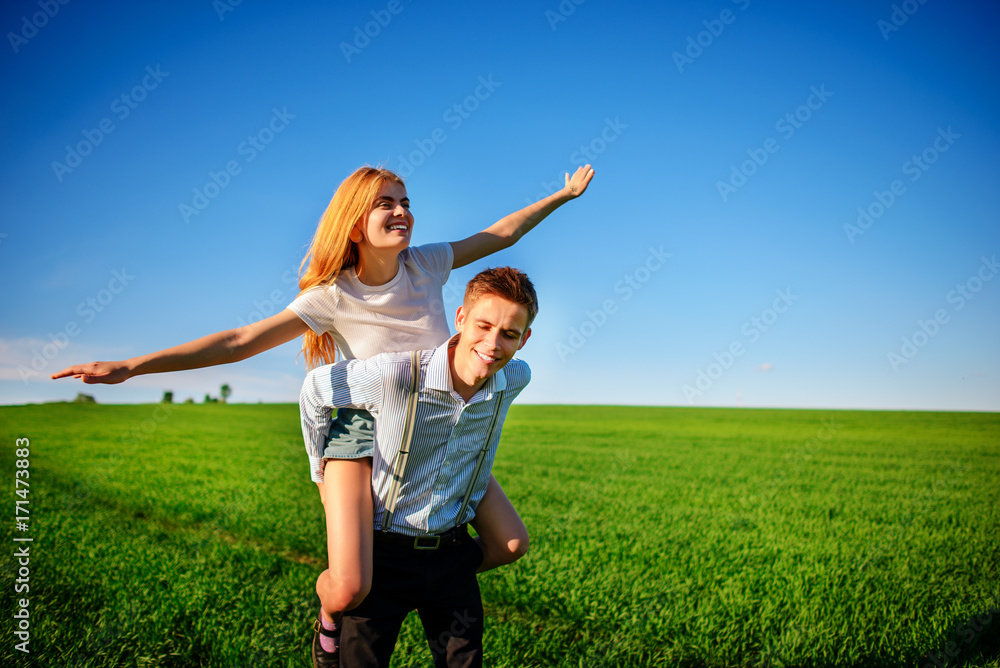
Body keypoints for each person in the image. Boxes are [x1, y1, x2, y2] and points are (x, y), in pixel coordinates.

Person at [50, 164, 595, 665]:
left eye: (406, 200)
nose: (402, 210)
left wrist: (564, 195)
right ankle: (330, 616)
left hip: (432, 421)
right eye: (385, 203)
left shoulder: (427, 263)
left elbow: (501, 234)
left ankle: (426, 577)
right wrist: (133, 366)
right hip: (358, 428)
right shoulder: (331, 295)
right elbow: (241, 340)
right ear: (355, 224)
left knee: (510, 544)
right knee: (351, 584)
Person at [300, 266, 537, 668]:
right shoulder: (397, 375)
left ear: (524, 339)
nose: (493, 344)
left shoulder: (515, 377)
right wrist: (318, 470)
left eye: (509, 334)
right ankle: (329, 622)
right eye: (483, 326)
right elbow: (315, 390)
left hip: (451, 554)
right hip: (384, 553)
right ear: (460, 318)